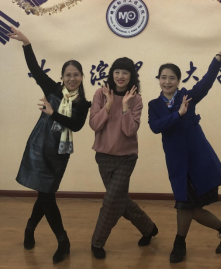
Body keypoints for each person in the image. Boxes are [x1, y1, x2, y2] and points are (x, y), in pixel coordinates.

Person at [148, 44, 221, 263]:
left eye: (172, 78)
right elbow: (155, 126)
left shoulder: (187, 96)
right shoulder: (154, 105)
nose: (167, 82)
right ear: (159, 80)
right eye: (163, 77)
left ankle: (180, 243)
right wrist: (178, 115)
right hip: (177, 164)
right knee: (189, 207)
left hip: (198, 160)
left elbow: (206, 83)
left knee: (187, 206)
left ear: (178, 81)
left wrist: (218, 57)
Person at [9, 27, 91, 264]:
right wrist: (27, 43)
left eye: (76, 75)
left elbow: (76, 126)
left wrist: (53, 113)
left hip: (58, 154)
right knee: (46, 195)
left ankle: (30, 228)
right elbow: (35, 69)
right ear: (62, 77)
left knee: (45, 194)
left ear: (82, 77)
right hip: (38, 147)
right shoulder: (53, 89)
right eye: (68, 75)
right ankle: (63, 241)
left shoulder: (83, 104)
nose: (72, 78)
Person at [89, 57, 158, 260]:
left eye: (125, 72)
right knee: (120, 200)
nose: (120, 76)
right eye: (117, 71)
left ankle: (97, 242)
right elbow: (94, 125)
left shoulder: (136, 99)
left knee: (111, 200)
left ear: (131, 76)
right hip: (103, 155)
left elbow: (129, 131)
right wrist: (109, 105)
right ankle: (149, 228)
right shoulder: (100, 94)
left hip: (126, 157)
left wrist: (125, 106)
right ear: (112, 73)